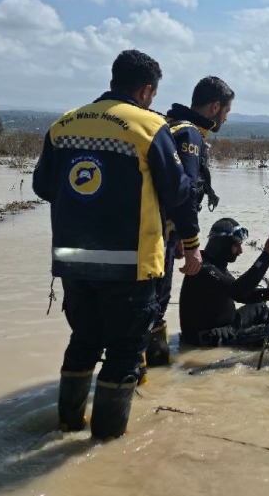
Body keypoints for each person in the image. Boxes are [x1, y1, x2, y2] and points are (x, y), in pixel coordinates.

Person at [32, 50, 202, 440]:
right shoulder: (148, 126)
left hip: (72, 261)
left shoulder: (64, 124)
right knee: (125, 353)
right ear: (146, 90)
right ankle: (104, 446)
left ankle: (68, 424)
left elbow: (43, 187)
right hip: (130, 264)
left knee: (83, 342)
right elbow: (178, 193)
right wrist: (191, 243)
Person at [142, 76, 235, 374]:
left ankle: (146, 375)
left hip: (142, 230)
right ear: (215, 107)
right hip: (159, 237)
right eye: (226, 112)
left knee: (141, 309)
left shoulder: (168, 125)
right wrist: (190, 241)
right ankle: (153, 378)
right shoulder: (190, 134)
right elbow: (185, 193)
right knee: (155, 306)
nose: (226, 118)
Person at [178, 218, 269, 348]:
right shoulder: (202, 268)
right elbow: (238, 291)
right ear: (222, 244)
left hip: (230, 324)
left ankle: (262, 334)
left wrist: (268, 294)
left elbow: (241, 294)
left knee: (261, 307)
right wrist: (267, 255)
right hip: (213, 337)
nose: (240, 251)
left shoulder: (216, 263)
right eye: (236, 245)